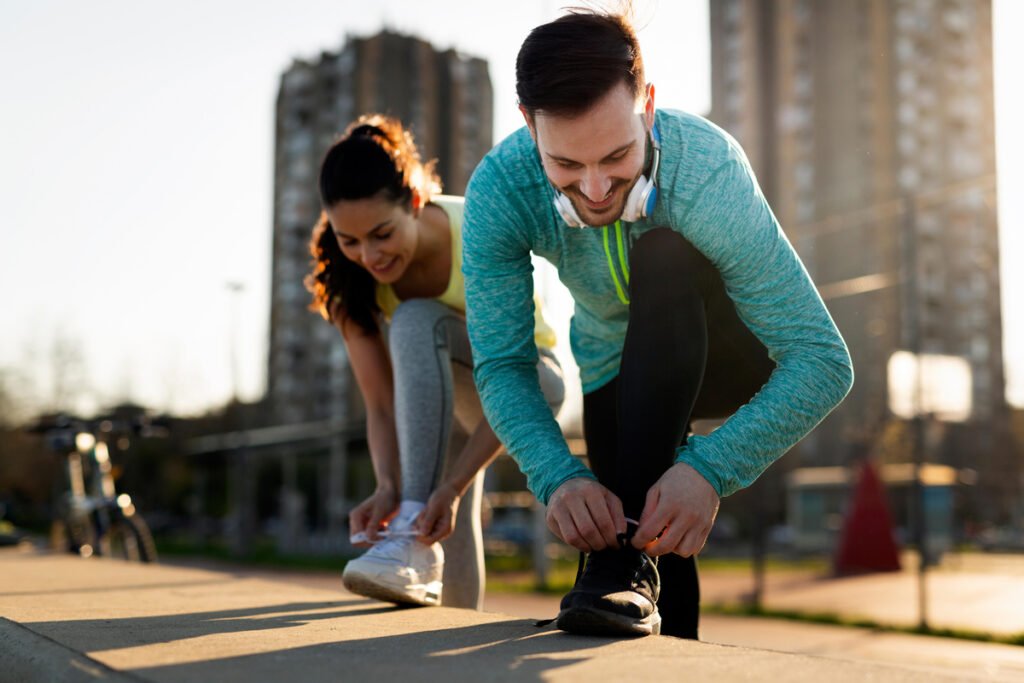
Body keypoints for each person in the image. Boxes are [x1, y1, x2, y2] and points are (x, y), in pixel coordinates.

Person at [462, 10, 853, 638]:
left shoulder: (705, 168)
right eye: (566, 164)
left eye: (616, 156)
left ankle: (618, 564)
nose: (595, 189)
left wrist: (710, 469)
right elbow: (504, 365)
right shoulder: (501, 190)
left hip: (732, 350)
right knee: (640, 525)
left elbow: (822, 360)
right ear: (528, 124)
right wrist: (558, 478)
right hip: (612, 363)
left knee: (662, 253)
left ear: (647, 106)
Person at [305, 114, 564, 610]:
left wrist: (454, 483)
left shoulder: (478, 229)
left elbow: (513, 376)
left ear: (415, 202)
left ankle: (411, 519)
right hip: (452, 393)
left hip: (532, 383)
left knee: (414, 318)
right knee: (442, 525)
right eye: (349, 240)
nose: (369, 256)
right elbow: (381, 405)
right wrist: (389, 485)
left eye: (382, 234)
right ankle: (424, 559)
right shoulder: (348, 282)